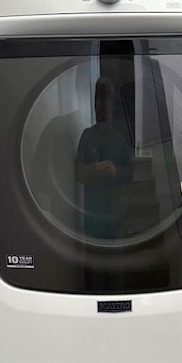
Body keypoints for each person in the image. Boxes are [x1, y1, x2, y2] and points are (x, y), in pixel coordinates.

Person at [75, 77, 133, 241]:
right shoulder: (87, 135)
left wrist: (115, 172)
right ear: (93, 103)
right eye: (97, 98)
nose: (100, 104)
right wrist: (92, 170)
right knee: (92, 262)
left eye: (105, 98)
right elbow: (78, 173)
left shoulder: (120, 138)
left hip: (115, 216)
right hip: (93, 216)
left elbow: (130, 173)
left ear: (113, 103)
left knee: (115, 263)